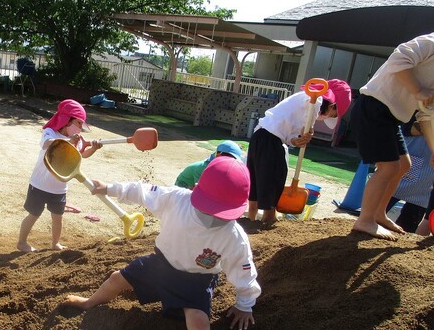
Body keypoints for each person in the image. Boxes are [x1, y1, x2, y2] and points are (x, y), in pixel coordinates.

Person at [63, 156, 261, 330]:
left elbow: (244, 272)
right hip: (160, 266)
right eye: (208, 208)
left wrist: (244, 304)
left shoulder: (234, 237)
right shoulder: (177, 199)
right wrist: (110, 188)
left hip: (196, 281)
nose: (213, 218)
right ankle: (88, 302)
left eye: (221, 214)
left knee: (199, 325)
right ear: (196, 191)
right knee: (117, 279)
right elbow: (142, 191)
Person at [350, 32, 434, 240]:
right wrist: (418, 90)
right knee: (388, 167)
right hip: (374, 107)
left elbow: (426, 113)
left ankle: (379, 214)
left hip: (391, 117)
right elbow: (399, 57)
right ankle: (365, 219)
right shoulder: (430, 43)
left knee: (403, 165)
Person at [246, 79, 352, 224]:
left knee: (258, 178)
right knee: (273, 177)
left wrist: (296, 140)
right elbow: (302, 125)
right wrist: (305, 132)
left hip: (260, 137)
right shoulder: (315, 100)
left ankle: (251, 217)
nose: (327, 118)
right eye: (333, 114)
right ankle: (269, 216)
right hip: (270, 141)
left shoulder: (303, 101)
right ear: (333, 105)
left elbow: (291, 132)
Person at [17, 99, 102, 252]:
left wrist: (94, 148)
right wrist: (68, 140)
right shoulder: (50, 132)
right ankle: (22, 242)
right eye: (78, 123)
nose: (80, 128)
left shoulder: (77, 140)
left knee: (58, 217)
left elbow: (83, 154)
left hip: (59, 187)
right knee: (34, 214)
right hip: (39, 184)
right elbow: (48, 143)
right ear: (66, 120)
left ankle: (55, 243)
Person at [386, 116, 434, 232]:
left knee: (407, 226)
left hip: (427, 176)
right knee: (386, 196)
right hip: (410, 154)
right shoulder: (423, 103)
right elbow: (408, 127)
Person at [174, 140, 244, 189]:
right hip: (183, 189)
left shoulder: (218, 165)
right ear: (218, 155)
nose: (231, 162)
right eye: (229, 158)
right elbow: (201, 190)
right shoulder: (204, 168)